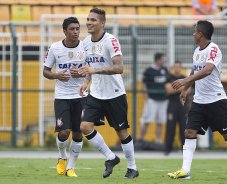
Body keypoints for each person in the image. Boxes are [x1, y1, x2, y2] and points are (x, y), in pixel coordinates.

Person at [167, 20, 227, 181]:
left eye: (195, 31)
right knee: (189, 132)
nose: (193, 34)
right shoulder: (196, 51)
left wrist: (185, 81)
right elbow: (195, 70)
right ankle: (185, 170)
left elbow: (207, 70)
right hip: (199, 101)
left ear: (200, 33)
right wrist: (185, 90)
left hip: (216, 100)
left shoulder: (214, 49)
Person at [77, 8, 138, 179]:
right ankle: (111, 157)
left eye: (93, 20)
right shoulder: (86, 42)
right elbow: (89, 67)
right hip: (96, 94)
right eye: (88, 19)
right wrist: (86, 81)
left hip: (115, 94)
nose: (89, 22)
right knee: (84, 126)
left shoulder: (111, 41)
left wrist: (95, 71)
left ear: (102, 23)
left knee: (122, 132)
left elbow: (119, 67)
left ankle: (133, 167)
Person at [43, 17, 85, 177]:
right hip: (62, 96)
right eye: (72, 29)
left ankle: (71, 167)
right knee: (64, 132)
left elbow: (92, 69)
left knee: (78, 133)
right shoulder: (54, 48)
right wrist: (56, 75)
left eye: (77, 29)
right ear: (64, 31)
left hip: (81, 95)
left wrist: (82, 72)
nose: (75, 32)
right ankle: (62, 157)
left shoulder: (85, 47)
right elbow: (45, 71)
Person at [140, 52, 169, 144]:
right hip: (152, 99)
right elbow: (144, 84)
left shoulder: (165, 70)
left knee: (161, 121)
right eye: (162, 59)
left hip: (163, 100)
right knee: (147, 119)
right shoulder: (149, 70)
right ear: (158, 60)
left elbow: (168, 83)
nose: (164, 61)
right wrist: (146, 96)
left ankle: (158, 140)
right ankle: (141, 139)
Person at [164, 61, 191, 155]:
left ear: (181, 67)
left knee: (184, 127)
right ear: (173, 68)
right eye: (175, 67)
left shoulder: (185, 77)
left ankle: (184, 149)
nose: (177, 69)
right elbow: (168, 90)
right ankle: (168, 149)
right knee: (170, 127)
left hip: (183, 105)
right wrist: (183, 87)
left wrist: (175, 88)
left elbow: (189, 90)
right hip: (172, 105)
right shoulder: (169, 77)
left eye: (178, 67)